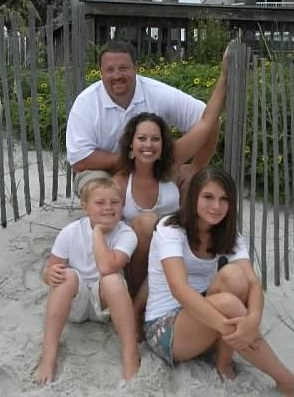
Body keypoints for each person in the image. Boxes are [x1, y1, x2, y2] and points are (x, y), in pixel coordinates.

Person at [144, 166, 294, 396]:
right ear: (193, 196)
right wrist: (230, 328)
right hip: (165, 331)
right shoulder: (171, 229)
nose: (216, 206)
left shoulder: (227, 233)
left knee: (236, 277)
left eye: (224, 199)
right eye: (208, 197)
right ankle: (286, 380)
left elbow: (253, 283)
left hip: (206, 322)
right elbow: (179, 289)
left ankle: (223, 362)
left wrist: (253, 321)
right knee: (228, 303)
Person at [112, 46, 228, 305]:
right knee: (146, 222)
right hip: (135, 266)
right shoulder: (120, 181)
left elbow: (206, 122)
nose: (148, 145)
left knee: (191, 202)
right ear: (131, 145)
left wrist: (223, 77)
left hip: (171, 262)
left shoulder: (171, 167)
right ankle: (137, 304)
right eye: (141, 139)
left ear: (163, 144)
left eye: (155, 139)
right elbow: (103, 228)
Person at [66, 39, 219, 198]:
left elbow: (210, 120)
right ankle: (105, 222)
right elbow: (80, 160)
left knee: (190, 191)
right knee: (101, 193)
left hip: (153, 166)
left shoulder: (158, 93)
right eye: (109, 70)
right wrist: (131, 161)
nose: (117, 75)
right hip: (102, 171)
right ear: (100, 72)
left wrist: (196, 168)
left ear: (136, 68)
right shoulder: (86, 103)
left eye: (123, 68)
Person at [37, 178, 139, 385]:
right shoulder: (70, 232)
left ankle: (130, 356)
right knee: (66, 276)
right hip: (75, 303)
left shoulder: (126, 233)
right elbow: (50, 268)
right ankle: (49, 356)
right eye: (100, 202)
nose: (108, 207)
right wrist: (48, 274)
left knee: (113, 280)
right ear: (85, 207)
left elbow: (108, 266)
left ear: (122, 205)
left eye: (115, 202)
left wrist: (99, 232)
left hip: (105, 304)